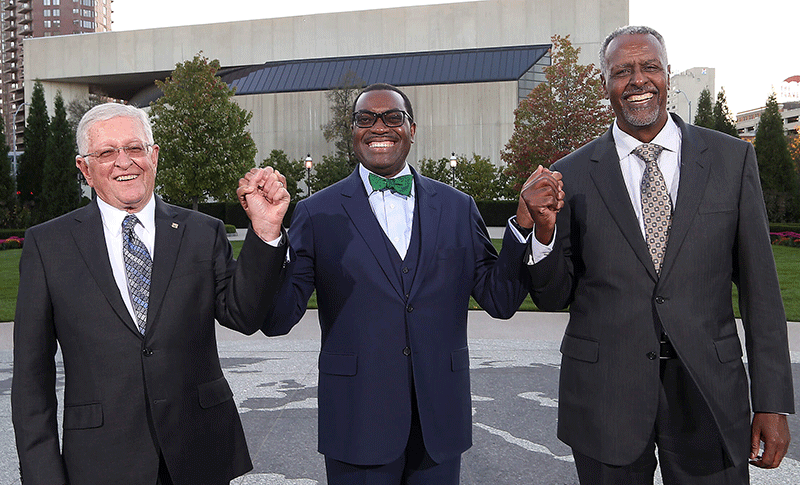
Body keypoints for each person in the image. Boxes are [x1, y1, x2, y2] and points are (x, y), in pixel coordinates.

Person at [519, 26, 794, 484]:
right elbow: (551, 297)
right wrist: (543, 232)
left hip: (709, 391)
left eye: (649, 67)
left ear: (668, 74)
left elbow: (761, 294)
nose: (638, 80)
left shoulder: (731, 160)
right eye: (622, 71)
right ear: (605, 83)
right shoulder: (571, 174)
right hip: (605, 395)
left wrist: (772, 402)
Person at [255, 83, 531, 484]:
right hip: (356, 418)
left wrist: (523, 227)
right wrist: (268, 237)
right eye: (365, 119)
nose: (379, 127)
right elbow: (277, 319)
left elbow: (501, 299)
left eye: (392, 117)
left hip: (440, 419)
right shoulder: (316, 213)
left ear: (412, 130)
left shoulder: (457, 207)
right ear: (353, 132)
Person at [12, 102, 290, 485]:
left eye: (134, 148)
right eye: (106, 153)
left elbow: (244, 315)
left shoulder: (202, 232)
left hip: (199, 453)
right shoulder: (48, 245)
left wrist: (266, 231)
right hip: (100, 463)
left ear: (154, 155)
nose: (124, 161)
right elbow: (31, 380)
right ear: (85, 169)